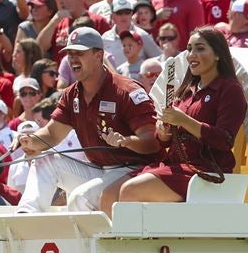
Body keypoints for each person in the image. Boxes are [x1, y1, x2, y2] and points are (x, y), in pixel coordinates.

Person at [17, 27, 159, 213]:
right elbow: (52, 134)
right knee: (45, 160)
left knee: (79, 197)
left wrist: (126, 141)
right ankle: (26, 216)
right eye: (70, 53)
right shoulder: (71, 94)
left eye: (79, 53)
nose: (73, 59)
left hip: (132, 171)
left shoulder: (127, 90)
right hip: (97, 169)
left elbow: (153, 142)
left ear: (99, 55)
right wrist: (30, 141)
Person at [112, 26, 246, 210]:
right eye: (190, 49)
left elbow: (224, 140)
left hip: (205, 171)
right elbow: (165, 141)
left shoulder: (230, 90)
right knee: (111, 193)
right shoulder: (186, 90)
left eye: (200, 48)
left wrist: (183, 120)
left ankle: (137, 239)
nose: (191, 54)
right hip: (175, 166)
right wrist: (163, 132)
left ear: (217, 54)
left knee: (130, 190)